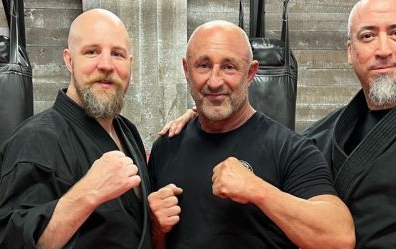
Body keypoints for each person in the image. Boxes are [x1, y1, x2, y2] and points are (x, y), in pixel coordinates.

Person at [161, 0, 396, 247]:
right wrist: (208, 112)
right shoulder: (327, 134)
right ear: (351, 51)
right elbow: (265, 150)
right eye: (368, 36)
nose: (382, 49)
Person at [147, 20, 355, 249]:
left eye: (229, 67)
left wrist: (259, 191)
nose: (215, 81)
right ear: (187, 70)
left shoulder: (291, 149)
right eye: (203, 66)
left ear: (250, 73)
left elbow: (339, 239)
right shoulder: (165, 147)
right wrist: (155, 228)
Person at [0, 9, 151, 249]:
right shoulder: (36, 139)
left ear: (130, 64)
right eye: (92, 52)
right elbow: (16, 242)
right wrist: (88, 193)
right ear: (69, 60)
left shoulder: (127, 130)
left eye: (117, 54)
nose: (107, 64)